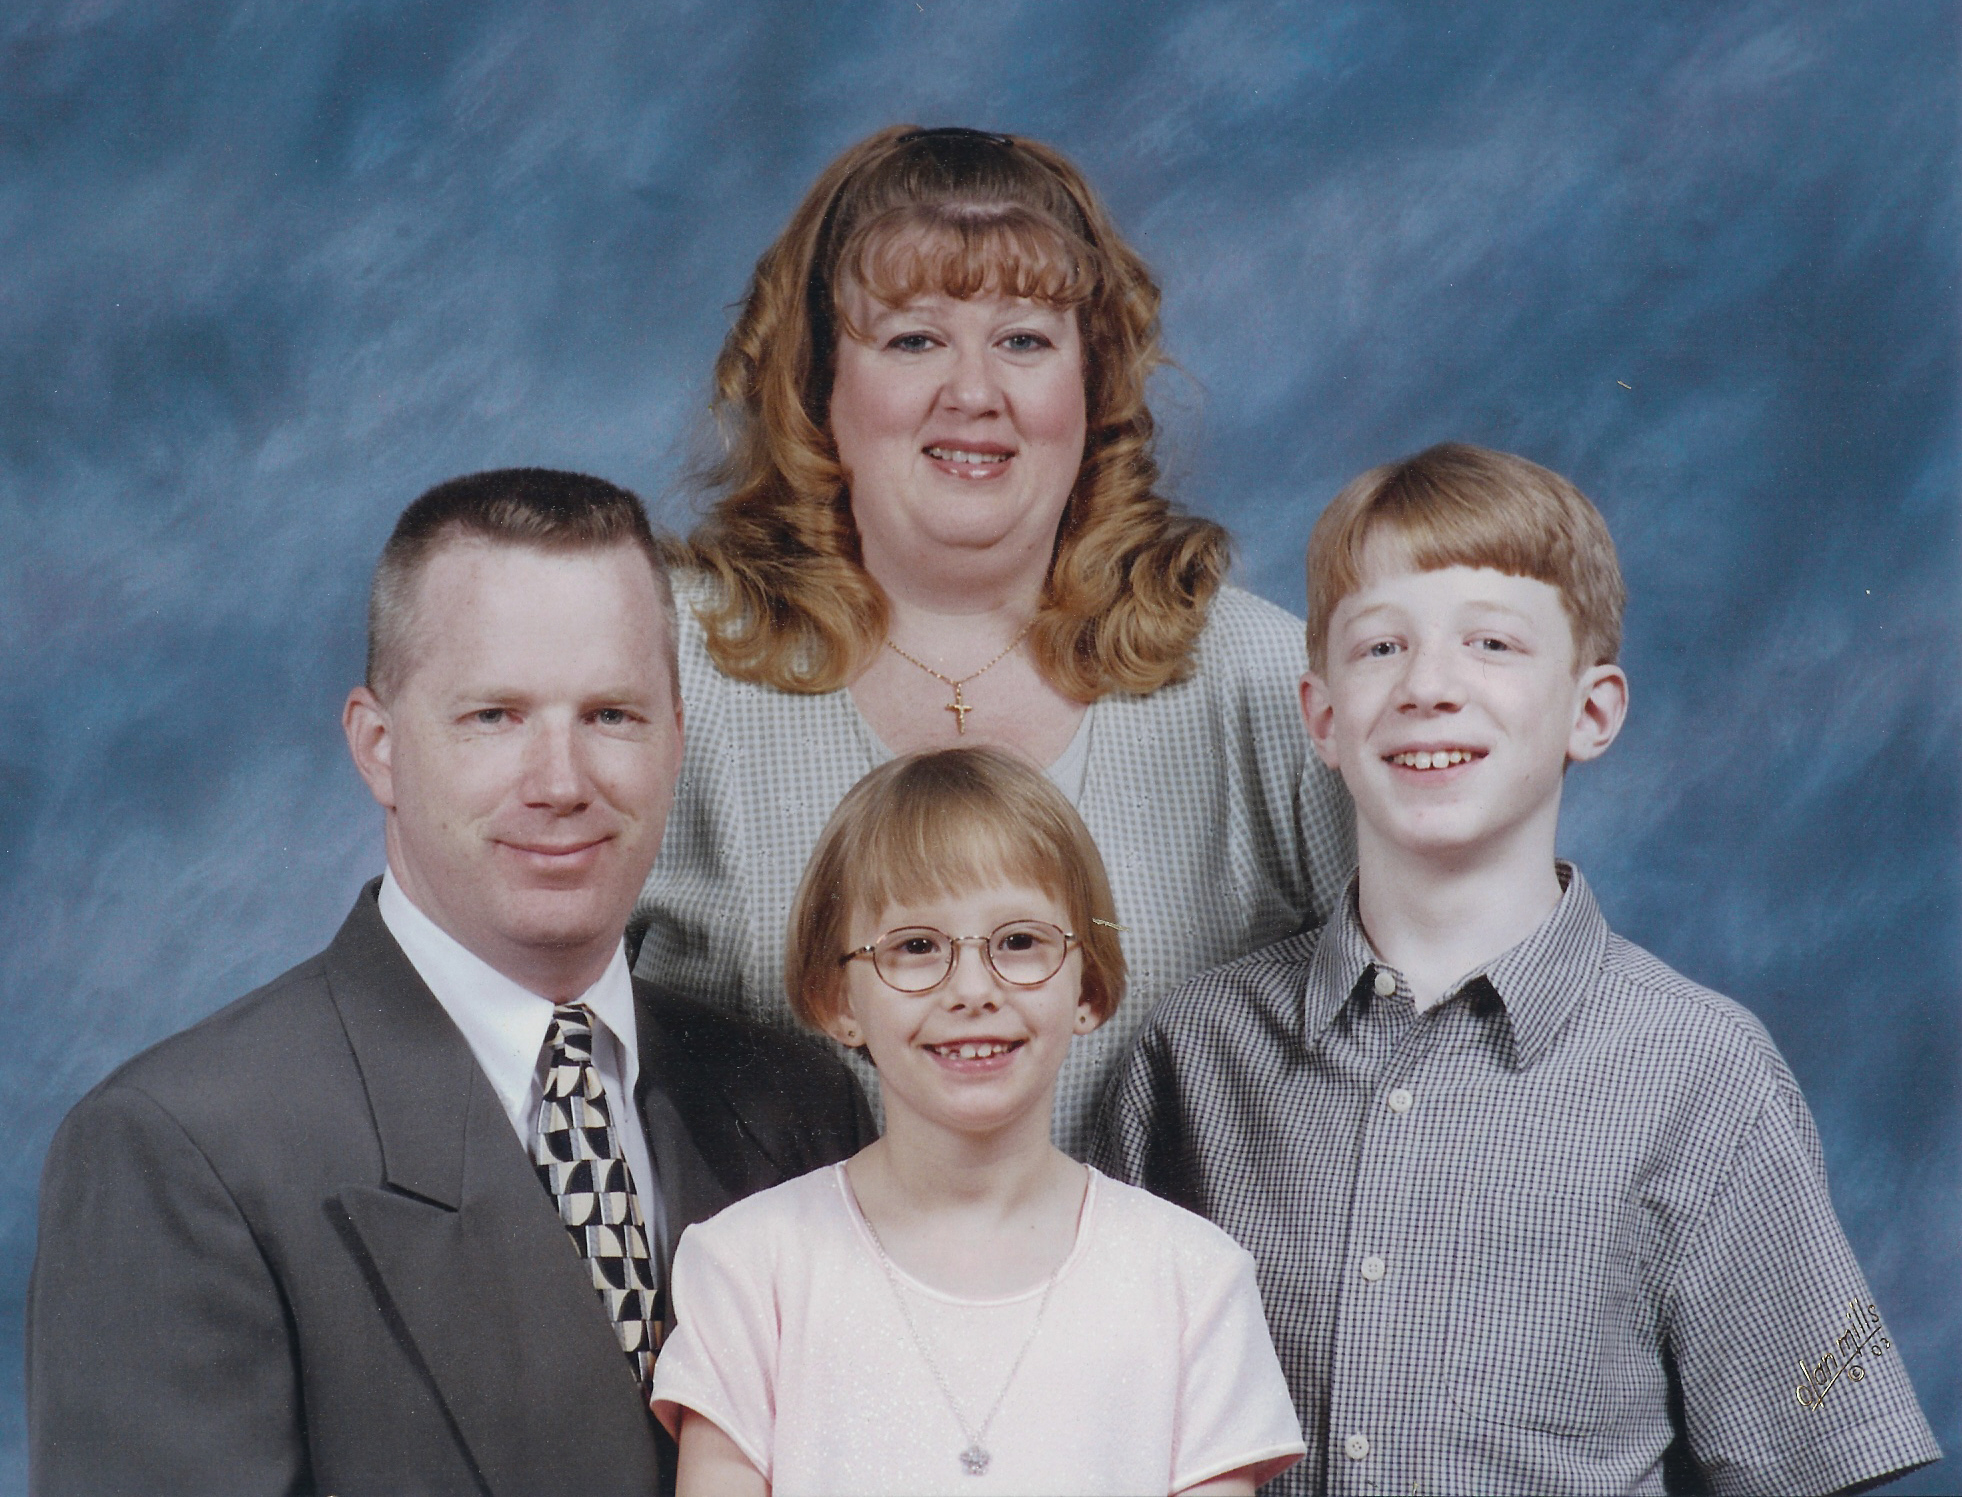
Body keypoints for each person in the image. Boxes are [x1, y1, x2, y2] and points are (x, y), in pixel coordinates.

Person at [1095, 443, 1941, 1496]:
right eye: (1380, 647)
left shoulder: (1702, 1075)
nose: (1429, 686)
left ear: (1591, 710)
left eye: (1491, 642)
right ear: (1321, 716)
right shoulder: (1199, 1052)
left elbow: (1804, 1464)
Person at [26, 469, 870, 1497]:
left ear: (676, 740)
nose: (561, 781)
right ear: (379, 746)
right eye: (494, 715)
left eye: (611, 714)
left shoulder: (796, 1102)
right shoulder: (184, 1153)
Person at [633, 124, 1353, 1155]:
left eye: (1024, 339)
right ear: (816, 381)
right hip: (752, 1311)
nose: (973, 392)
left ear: (1094, 382)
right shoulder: (670, 664)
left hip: (1161, 1311)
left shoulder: (1254, 680)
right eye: (914, 338)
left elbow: (1425, 1035)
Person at [649, 747, 1306, 1496]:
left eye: (1019, 942)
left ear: (1088, 984)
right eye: (916, 947)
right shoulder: (749, 1268)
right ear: (838, 998)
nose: (971, 989)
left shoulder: (1192, 1280)